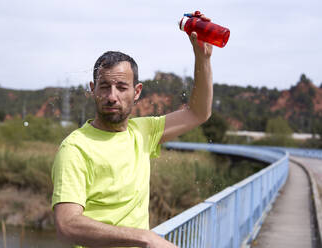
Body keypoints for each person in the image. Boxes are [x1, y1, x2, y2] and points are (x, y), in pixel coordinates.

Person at [51, 14, 213, 248]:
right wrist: (145, 237)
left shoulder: (143, 131)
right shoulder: (75, 148)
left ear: (137, 92)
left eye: (121, 87)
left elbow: (199, 113)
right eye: (104, 87)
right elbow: (67, 224)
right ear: (92, 89)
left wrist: (202, 58)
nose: (112, 96)